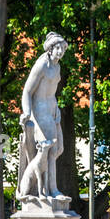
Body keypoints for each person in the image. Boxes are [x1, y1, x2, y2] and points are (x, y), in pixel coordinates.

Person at [18, 32, 70, 198]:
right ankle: (50, 190)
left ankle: (49, 189)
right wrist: (27, 112)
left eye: (63, 48)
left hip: (52, 110)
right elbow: (27, 90)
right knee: (49, 150)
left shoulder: (57, 67)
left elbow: (52, 93)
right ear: (50, 49)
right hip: (39, 110)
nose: (61, 51)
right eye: (58, 48)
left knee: (58, 148)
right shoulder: (42, 65)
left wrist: (57, 109)